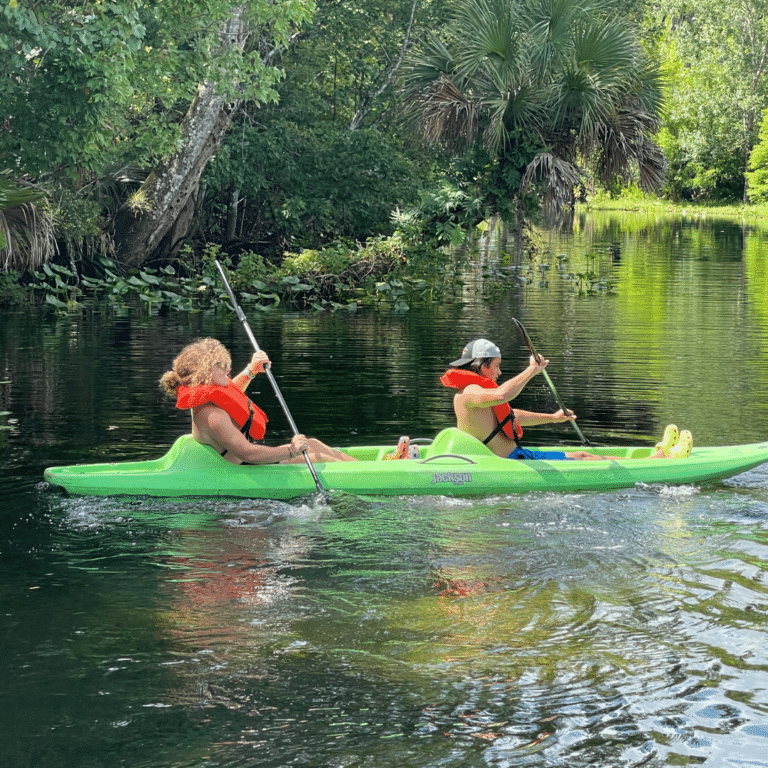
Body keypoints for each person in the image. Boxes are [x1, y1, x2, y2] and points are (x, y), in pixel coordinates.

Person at [440, 338, 693, 461]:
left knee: (581, 455)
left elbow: (510, 415)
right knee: (582, 456)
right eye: (495, 366)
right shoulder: (471, 392)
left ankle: (654, 458)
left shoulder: (474, 394)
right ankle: (655, 462)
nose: (499, 372)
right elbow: (503, 395)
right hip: (512, 462)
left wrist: (554, 418)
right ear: (481, 366)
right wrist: (533, 370)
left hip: (512, 458)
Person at [160, 338, 355, 465]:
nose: (228, 369)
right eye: (220, 366)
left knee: (313, 444)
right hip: (245, 469)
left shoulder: (207, 397)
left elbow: (232, 395)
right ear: (202, 374)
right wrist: (291, 450)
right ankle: (374, 476)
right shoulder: (213, 417)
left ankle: (374, 469)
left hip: (248, 464)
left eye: (226, 363)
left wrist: (251, 371)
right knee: (320, 459)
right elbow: (248, 454)